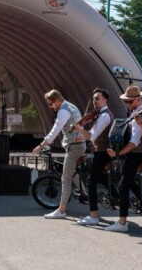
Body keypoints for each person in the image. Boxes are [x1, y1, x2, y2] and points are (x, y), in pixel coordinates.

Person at [103, 85, 142, 232]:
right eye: (126, 102)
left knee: (123, 185)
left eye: (130, 102)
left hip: (137, 153)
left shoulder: (139, 114)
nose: (128, 104)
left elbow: (134, 142)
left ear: (138, 100)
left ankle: (122, 222)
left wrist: (119, 154)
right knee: (128, 180)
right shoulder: (138, 111)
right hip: (139, 152)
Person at [32, 89, 86, 219]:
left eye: (51, 104)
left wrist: (41, 146)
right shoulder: (71, 106)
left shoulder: (63, 110)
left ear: (57, 101)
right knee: (71, 172)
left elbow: (55, 130)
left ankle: (61, 211)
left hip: (74, 146)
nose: (50, 107)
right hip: (78, 144)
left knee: (65, 178)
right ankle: (85, 193)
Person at [71, 88, 116, 226]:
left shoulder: (104, 116)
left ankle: (93, 215)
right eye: (94, 98)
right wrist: (79, 138)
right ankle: (117, 200)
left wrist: (79, 129)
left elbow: (92, 136)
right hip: (100, 151)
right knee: (102, 178)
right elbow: (91, 133)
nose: (94, 101)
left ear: (105, 100)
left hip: (102, 152)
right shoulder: (99, 115)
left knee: (91, 182)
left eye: (97, 98)